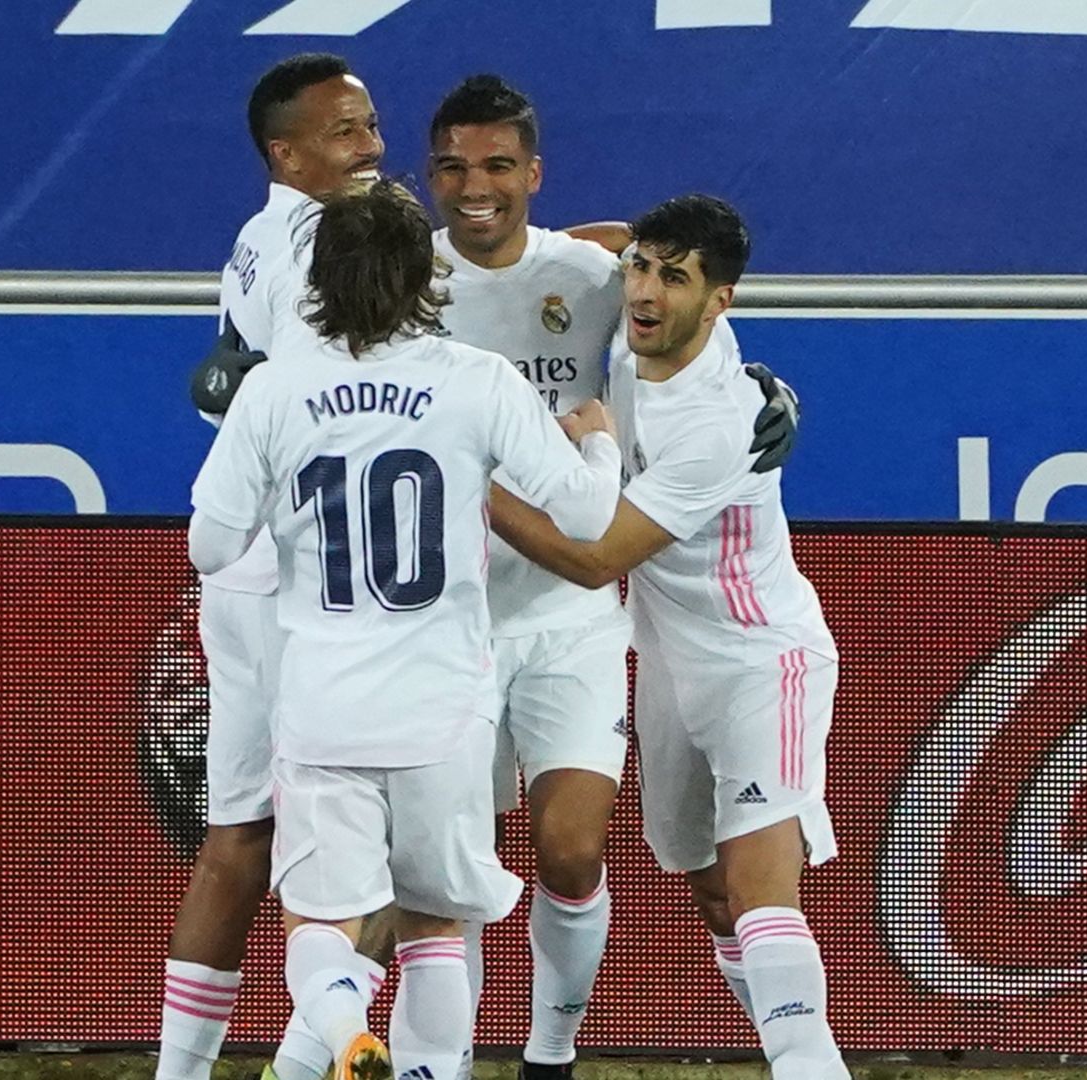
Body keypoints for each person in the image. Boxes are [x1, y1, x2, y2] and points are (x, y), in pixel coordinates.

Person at [187, 179, 626, 1080]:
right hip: (441, 707)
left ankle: (348, 1029)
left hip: (321, 705)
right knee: (435, 922)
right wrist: (598, 437)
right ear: (425, 276)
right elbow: (585, 516)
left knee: (320, 920)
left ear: (320, 279)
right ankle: (426, 1069)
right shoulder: (477, 381)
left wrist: (279, 493)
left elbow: (210, 546)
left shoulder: (276, 390)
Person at [424, 75, 801, 1080]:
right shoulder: (402, 281)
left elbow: (676, 270)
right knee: (452, 871)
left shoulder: (584, 269)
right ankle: (444, 1062)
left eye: (499, 165)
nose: (478, 187)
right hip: (443, 618)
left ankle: (550, 1056)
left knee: (572, 853)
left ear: (533, 174)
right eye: (456, 166)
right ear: (430, 175)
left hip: (571, 614)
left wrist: (754, 373)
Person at [487, 195, 850, 1080]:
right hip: (666, 665)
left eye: (672, 278)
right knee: (718, 896)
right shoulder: (635, 313)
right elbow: (589, 243)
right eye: (642, 268)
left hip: (764, 659)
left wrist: (468, 469)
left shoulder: (721, 424)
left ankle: (811, 1064)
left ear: (719, 300)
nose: (644, 290)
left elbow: (596, 556)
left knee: (763, 890)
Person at [157, 52, 384, 1080]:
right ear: (285, 153)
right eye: (345, 132)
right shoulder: (320, 249)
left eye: (372, 123)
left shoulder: (261, 236)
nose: (372, 146)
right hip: (313, 590)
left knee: (236, 838)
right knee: (378, 859)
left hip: (243, 580)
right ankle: (309, 1065)